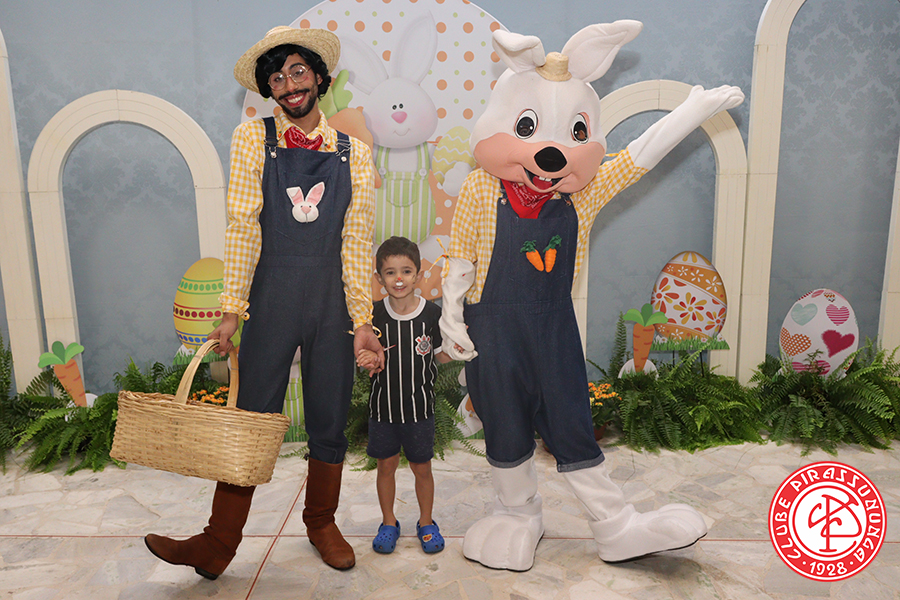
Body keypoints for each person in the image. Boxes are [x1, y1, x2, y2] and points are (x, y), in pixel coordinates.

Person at [144, 25, 382, 578]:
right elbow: (243, 225)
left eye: (298, 71)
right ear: (268, 89)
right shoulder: (254, 138)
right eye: (277, 77)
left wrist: (362, 320)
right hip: (271, 297)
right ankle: (217, 542)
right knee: (250, 418)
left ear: (319, 77)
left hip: (331, 304)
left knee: (329, 417)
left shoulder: (356, 153)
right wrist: (232, 309)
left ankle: (321, 522)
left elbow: (356, 240)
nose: (289, 84)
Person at [356, 236, 450, 554]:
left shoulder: (432, 316)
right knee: (385, 467)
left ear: (419, 275)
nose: (399, 279)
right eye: (390, 272)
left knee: (422, 469)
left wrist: (460, 346)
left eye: (406, 271)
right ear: (379, 278)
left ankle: (426, 522)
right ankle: (388, 522)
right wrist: (366, 359)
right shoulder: (372, 318)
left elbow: (441, 356)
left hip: (419, 412)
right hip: (383, 412)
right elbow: (363, 356)